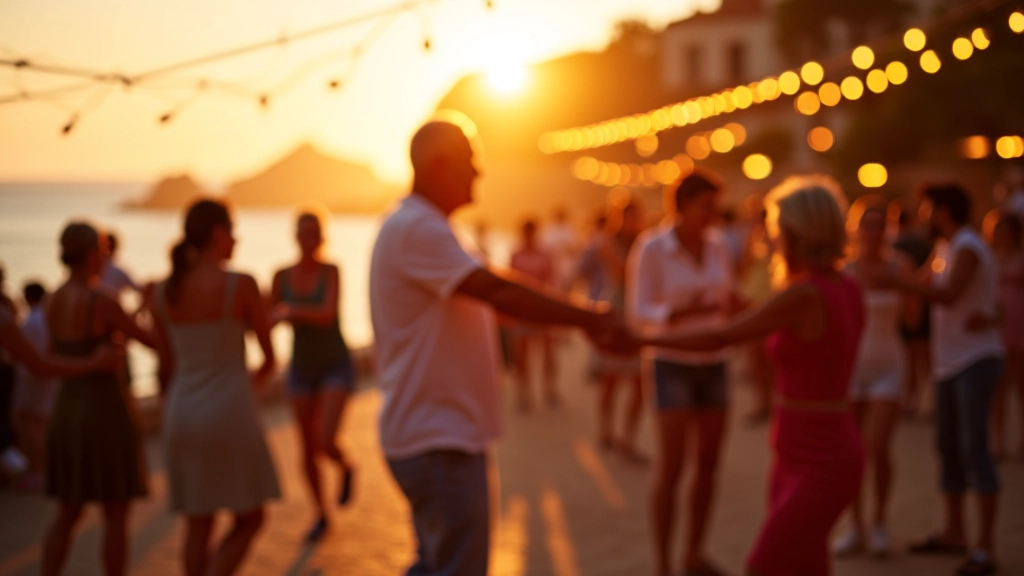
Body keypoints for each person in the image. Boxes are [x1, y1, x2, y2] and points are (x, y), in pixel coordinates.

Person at [369, 118, 627, 576]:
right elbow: (497, 291)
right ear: (441, 165)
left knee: (433, 565)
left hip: (438, 437)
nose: (480, 172)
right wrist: (588, 317)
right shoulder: (417, 228)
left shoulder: (428, 227)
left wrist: (573, 320)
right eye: (472, 160)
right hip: (439, 441)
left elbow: (493, 303)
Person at [641, 175, 865, 576]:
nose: (769, 240)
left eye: (776, 230)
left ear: (799, 234)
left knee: (766, 564)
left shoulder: (804, 294)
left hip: (820, 457)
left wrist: (634, 339)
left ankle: (688, 555)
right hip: (797, 451)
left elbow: (723, 335)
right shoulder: (842, 287)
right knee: (807, 565)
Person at [150, 199, 280, 576]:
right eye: (233, 230)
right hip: (230, 410)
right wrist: (245, 389)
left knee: (197, 523)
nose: (237, 239)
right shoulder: (240, 284)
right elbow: (270, 358)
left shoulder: (161, 291)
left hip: (181, 414)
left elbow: (165, 365)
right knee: (251, 518)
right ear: (218, 234)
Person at [628, 170, 743, 576]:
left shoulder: (718, 246)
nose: (713, 215)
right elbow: (638, 312)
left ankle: (694, 553)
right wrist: (679, 313)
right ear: (682, 206)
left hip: (715, 360)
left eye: (715, 207)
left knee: (709, 462)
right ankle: (662, 563)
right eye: (706, 207)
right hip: (670, 360)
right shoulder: (652, 248)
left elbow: (725, 296)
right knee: (672, 465)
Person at [884, 183, 1002, 576]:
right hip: (949, 362)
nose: (923, 216)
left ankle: (985, 546)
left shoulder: (967, 246)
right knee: (948, 446)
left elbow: (948, 294)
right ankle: (955, 533)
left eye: (928, 209)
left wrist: (895, 282)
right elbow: (923, 283)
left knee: (975, 449)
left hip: (974, 360)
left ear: (944, 211)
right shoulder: (946, 247)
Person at [43, 222, 158, 576]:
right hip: (105, 412)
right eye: (105, 250)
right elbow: (149, 340)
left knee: (67, 513)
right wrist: (149, 303)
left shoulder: (54, 299)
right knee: (116, 513)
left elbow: (49, 359)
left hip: (66, 412)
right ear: (93, 254)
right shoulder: (102, 301)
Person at [832, 197, 915, 557]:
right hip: (852, 369)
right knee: (851, 452)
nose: (873, 232)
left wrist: (899, 285)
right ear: (856, 229)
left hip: (888, 363)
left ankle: (880, 522)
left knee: (878, 447)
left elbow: (913, 321)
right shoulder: (844, 270)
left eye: (880, 225)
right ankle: (856, 525)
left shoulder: (900, 266)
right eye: (867, 225)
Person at [269, 209, 356, 542]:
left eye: (314, 233)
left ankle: (346, 466)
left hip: (335, 362)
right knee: (306, 448)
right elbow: (264, 313)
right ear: (295, 236)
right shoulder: (281, 275)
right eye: (304, 233)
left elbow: (326, 314)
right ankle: (320, 513)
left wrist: (289, 312)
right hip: (301, 366)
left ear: (322, 237)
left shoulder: (331, 271)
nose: (309, 240)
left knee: (324, 439)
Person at [593, 198, 646, 463]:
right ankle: (606, 431)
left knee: (640, 383)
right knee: (611, 379)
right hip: (618, 309)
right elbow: (624, 273)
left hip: (637, 312)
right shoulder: (609, 242)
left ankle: (628, 438)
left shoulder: (644, 243)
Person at [12, 282, 59, 491]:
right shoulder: (47, 316)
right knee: (38, 423)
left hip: (32, 377)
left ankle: (38, 471)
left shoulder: (32, 319)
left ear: (29, 297)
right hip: (44, 374)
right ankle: (45, 470)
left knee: (30, 424)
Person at [508, 219, 559, 410]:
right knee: (522, 354)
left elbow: (550, 280)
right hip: (522, 309)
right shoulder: (516, 254)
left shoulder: (544, 254)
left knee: (548, 351)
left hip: (541, 309)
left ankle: (550, 389)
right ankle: (523, 392)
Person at [987, 211, 1024, 460]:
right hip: (995, 328)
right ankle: (997, 442)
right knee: (997, 387)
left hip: (1019, 324)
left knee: (1021, 386)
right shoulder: (988, 257)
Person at [891, 201, 934, 416]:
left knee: (910, 358)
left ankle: (910, 400)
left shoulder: (894, 248)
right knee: (923, 356)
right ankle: (926, 401)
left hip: (907, 305)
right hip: (923, 304)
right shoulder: (925, 244)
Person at [737, 197, 776, 424]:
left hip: (770, 298)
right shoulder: (752, 237)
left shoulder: (776, 238)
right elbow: (745, 265)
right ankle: (763, 402)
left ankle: (773, 402)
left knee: (771, 357)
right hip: (753, 297)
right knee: (756, 358)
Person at [540, 206, 579, 292]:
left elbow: (573, 249)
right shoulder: (550, 230)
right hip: (553, 265)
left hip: (565, 266)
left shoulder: (568, 230)